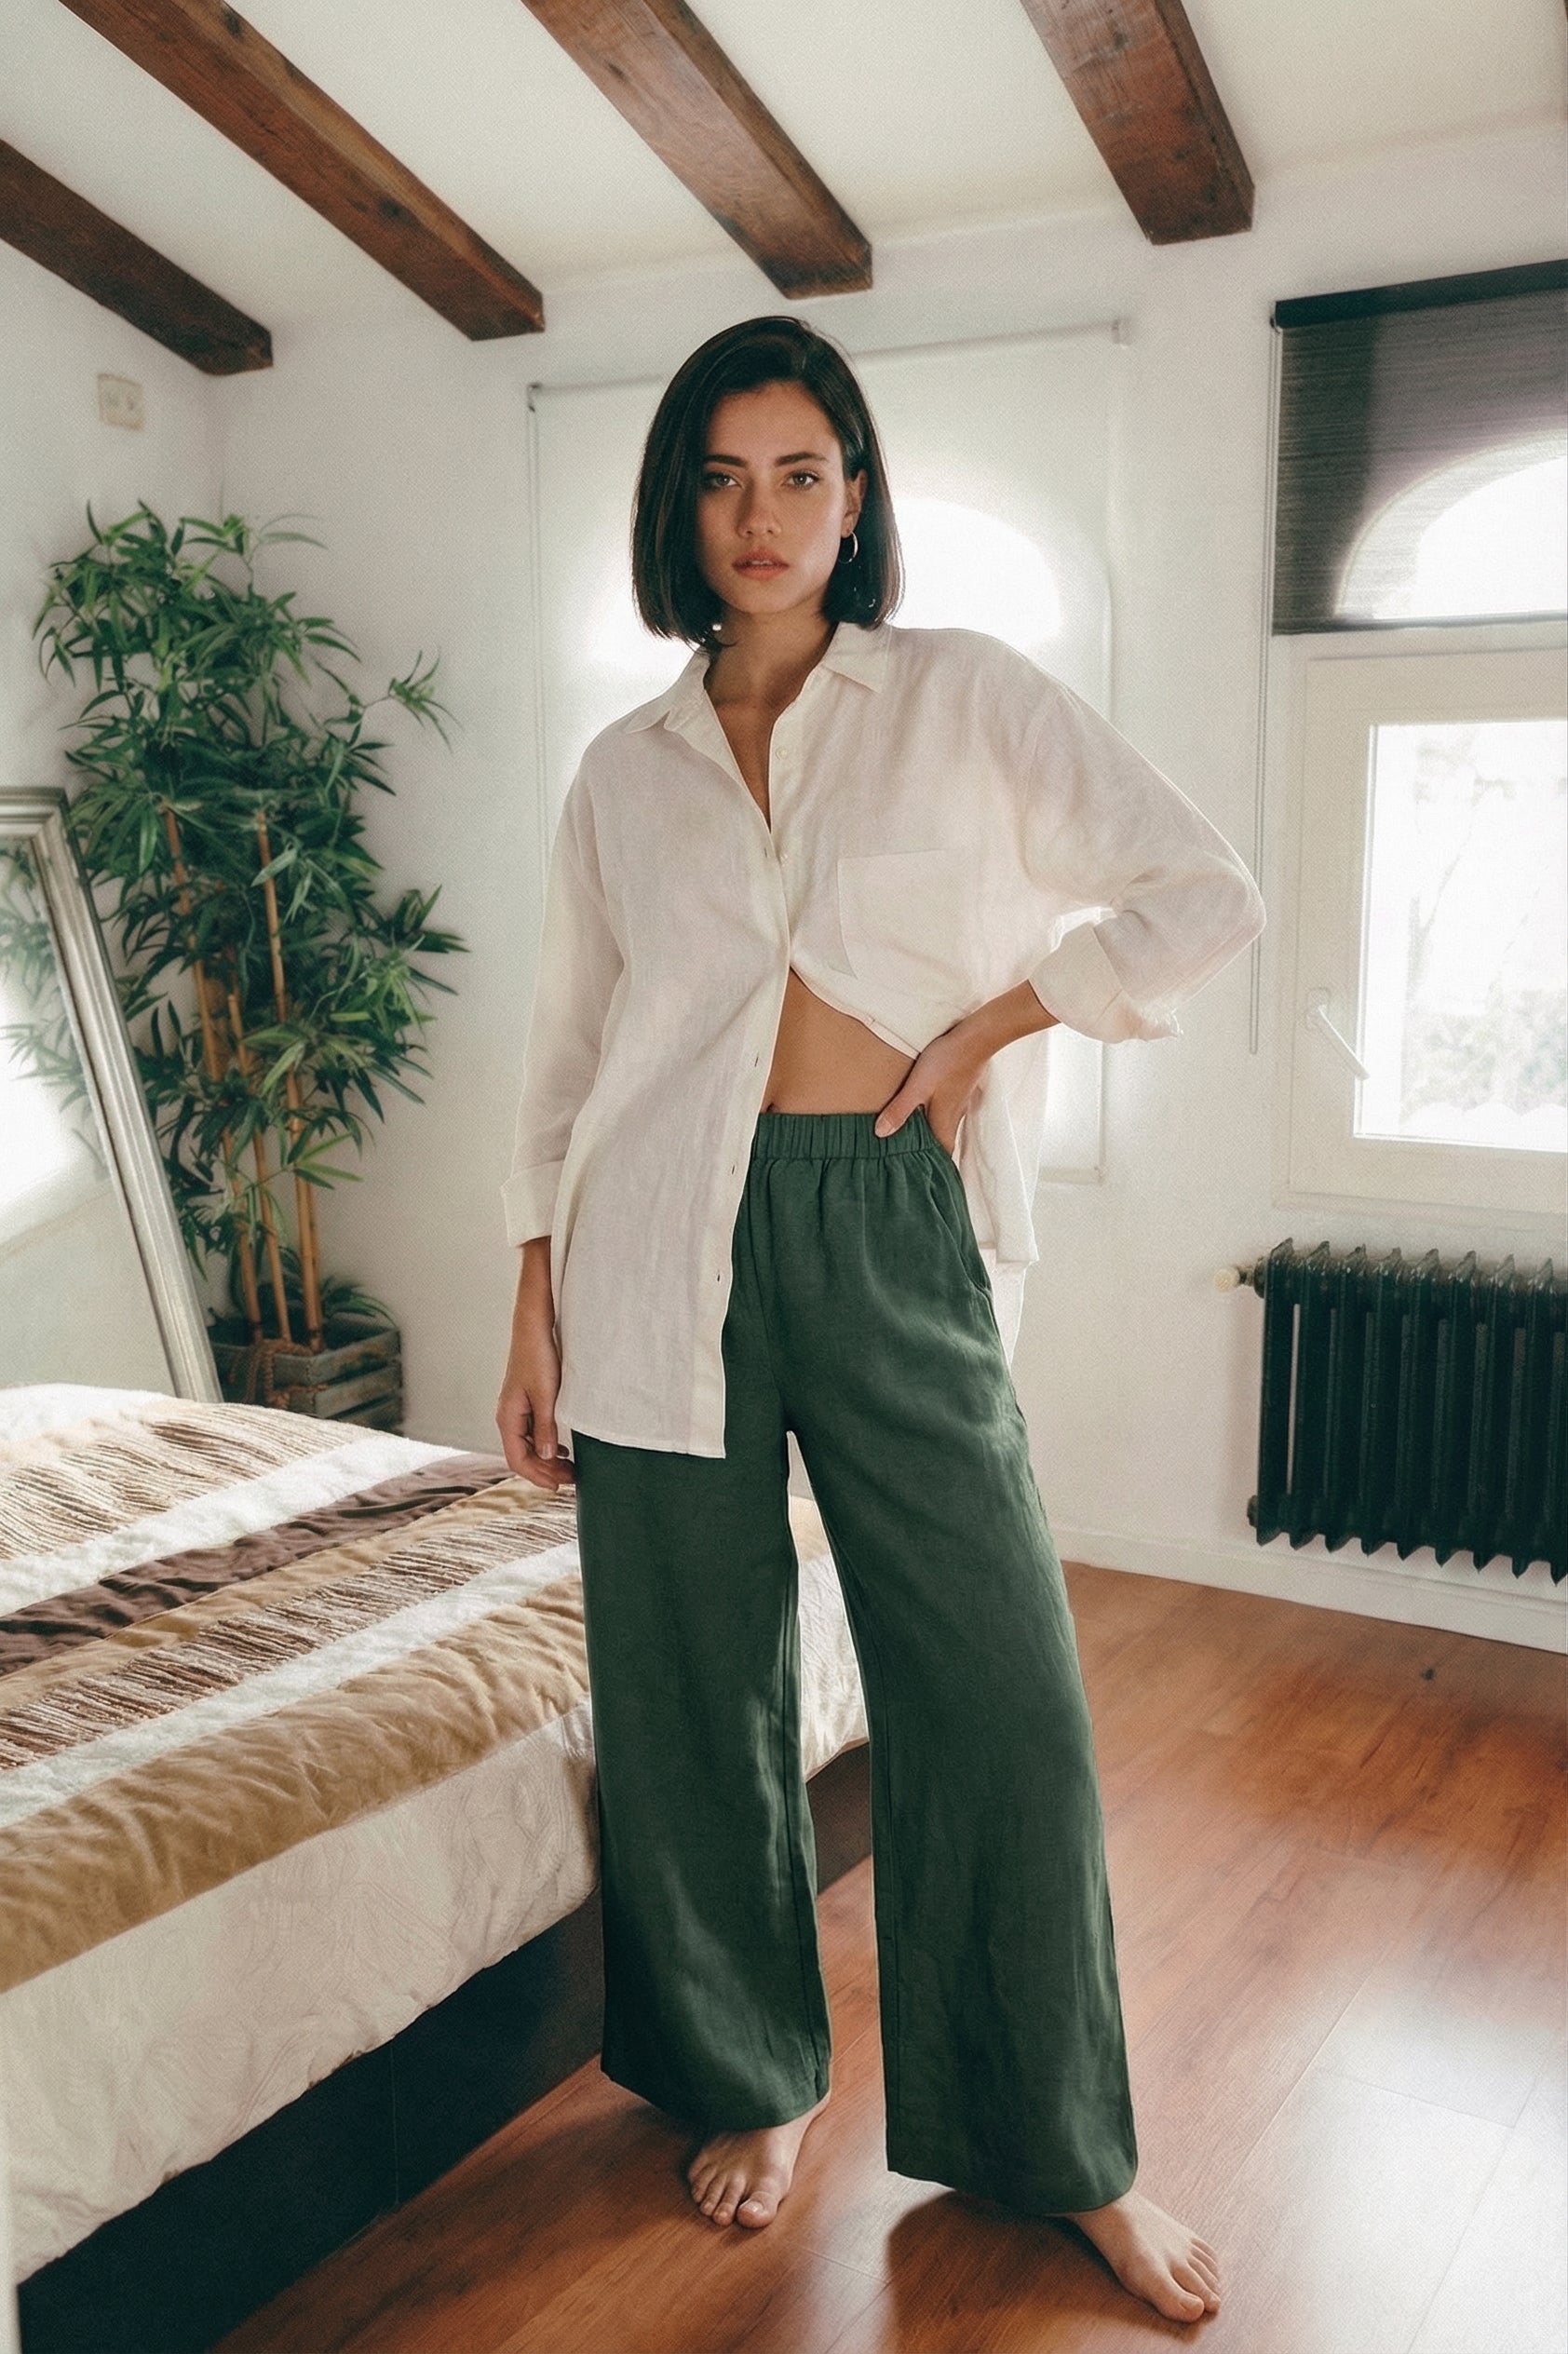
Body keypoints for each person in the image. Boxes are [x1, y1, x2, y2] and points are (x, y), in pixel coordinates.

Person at [497, 314, 1264, 2326]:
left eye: (800, 473)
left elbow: (1200, 891)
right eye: (721, 477)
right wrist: (525, 1297)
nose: (761, 517)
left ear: (855, 492)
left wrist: (1008, 1015)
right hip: (649, 1234)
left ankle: (1056, 2147)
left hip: (883, 1209)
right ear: (677, 501)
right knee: (687, 1687)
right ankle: (748, 2076)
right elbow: (571, 1051)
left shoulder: (961, 698)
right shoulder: (620, 769)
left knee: (996, 1687)